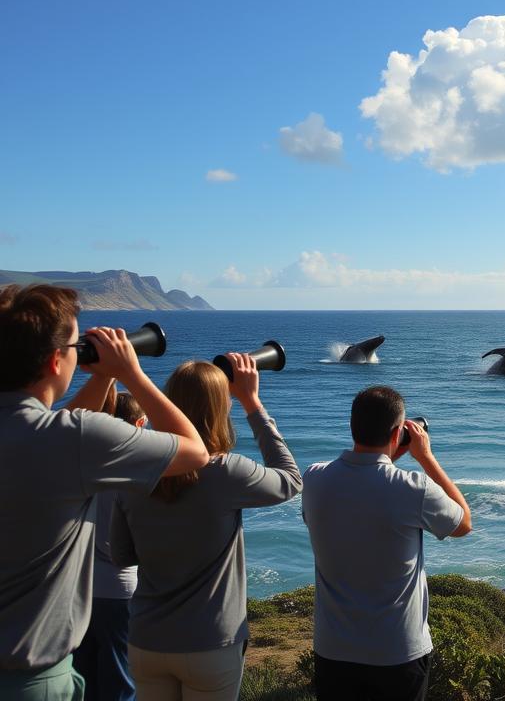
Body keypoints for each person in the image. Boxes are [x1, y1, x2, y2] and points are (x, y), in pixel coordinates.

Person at [0, 284, 209, 700]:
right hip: (30, 681)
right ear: (56, 359)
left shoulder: (59, 439)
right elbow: (194, 452)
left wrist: (105, 376)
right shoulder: (73, 440)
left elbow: (60, 431)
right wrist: (131, 372)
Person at [111, 354, 302, 701]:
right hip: (211, 642)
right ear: (219, 409)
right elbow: (290, 479)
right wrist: (253, 402)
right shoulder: (227, 472)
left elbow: (122, 555)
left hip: (146, 639)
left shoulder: (134, 472)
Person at [302, 385, 472, 701]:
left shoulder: (314, 479)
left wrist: (387, 454)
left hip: (333, 649)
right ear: (397, 434)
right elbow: (463, 523)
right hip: (398, 651)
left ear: (352, 425)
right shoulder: (413, 488)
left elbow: (361, 487)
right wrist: (426, 457)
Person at [73, 385, 148, 701]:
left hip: (77, 588)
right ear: (139, 425)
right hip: (119, 591)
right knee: (121, 682)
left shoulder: (80, 467)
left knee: (84, 677)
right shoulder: (134, 474)